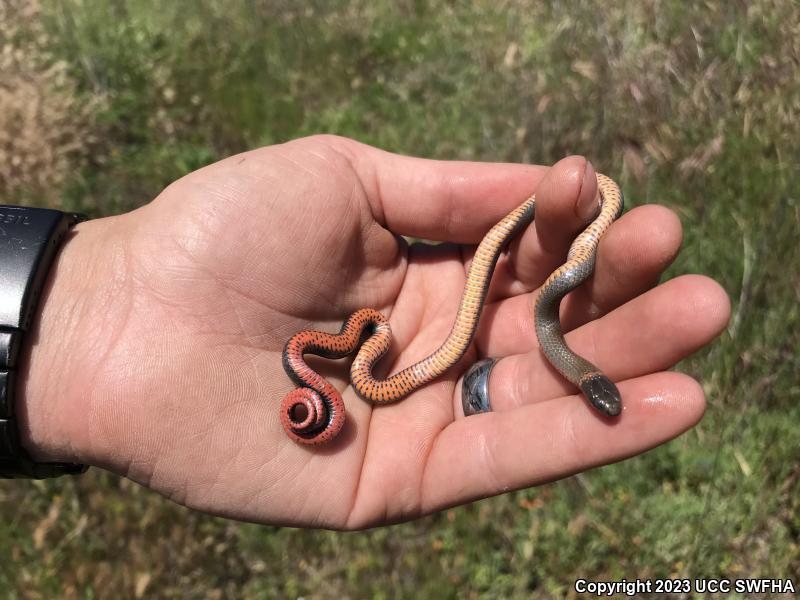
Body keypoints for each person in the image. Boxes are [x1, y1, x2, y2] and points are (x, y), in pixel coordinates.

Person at [17, 135, 730, 529]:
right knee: (552, 241)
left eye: (593, 393)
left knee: (572, 244)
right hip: (371, 358)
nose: (598, 401)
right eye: (597, 393)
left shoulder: (552, 329)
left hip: (382, 357)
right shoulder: (356, 354)